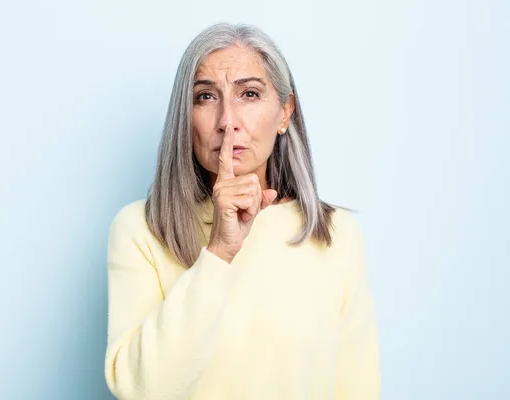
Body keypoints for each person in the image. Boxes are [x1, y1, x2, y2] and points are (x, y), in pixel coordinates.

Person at [104, 22, 380, 400]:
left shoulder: (335, 233)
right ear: (185, 117)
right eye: (205, 97)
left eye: (249, 94)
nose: (227, 120)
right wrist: (219, 252)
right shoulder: (140, 229)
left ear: (284, 113)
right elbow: (142, 389)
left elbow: (357, 388)